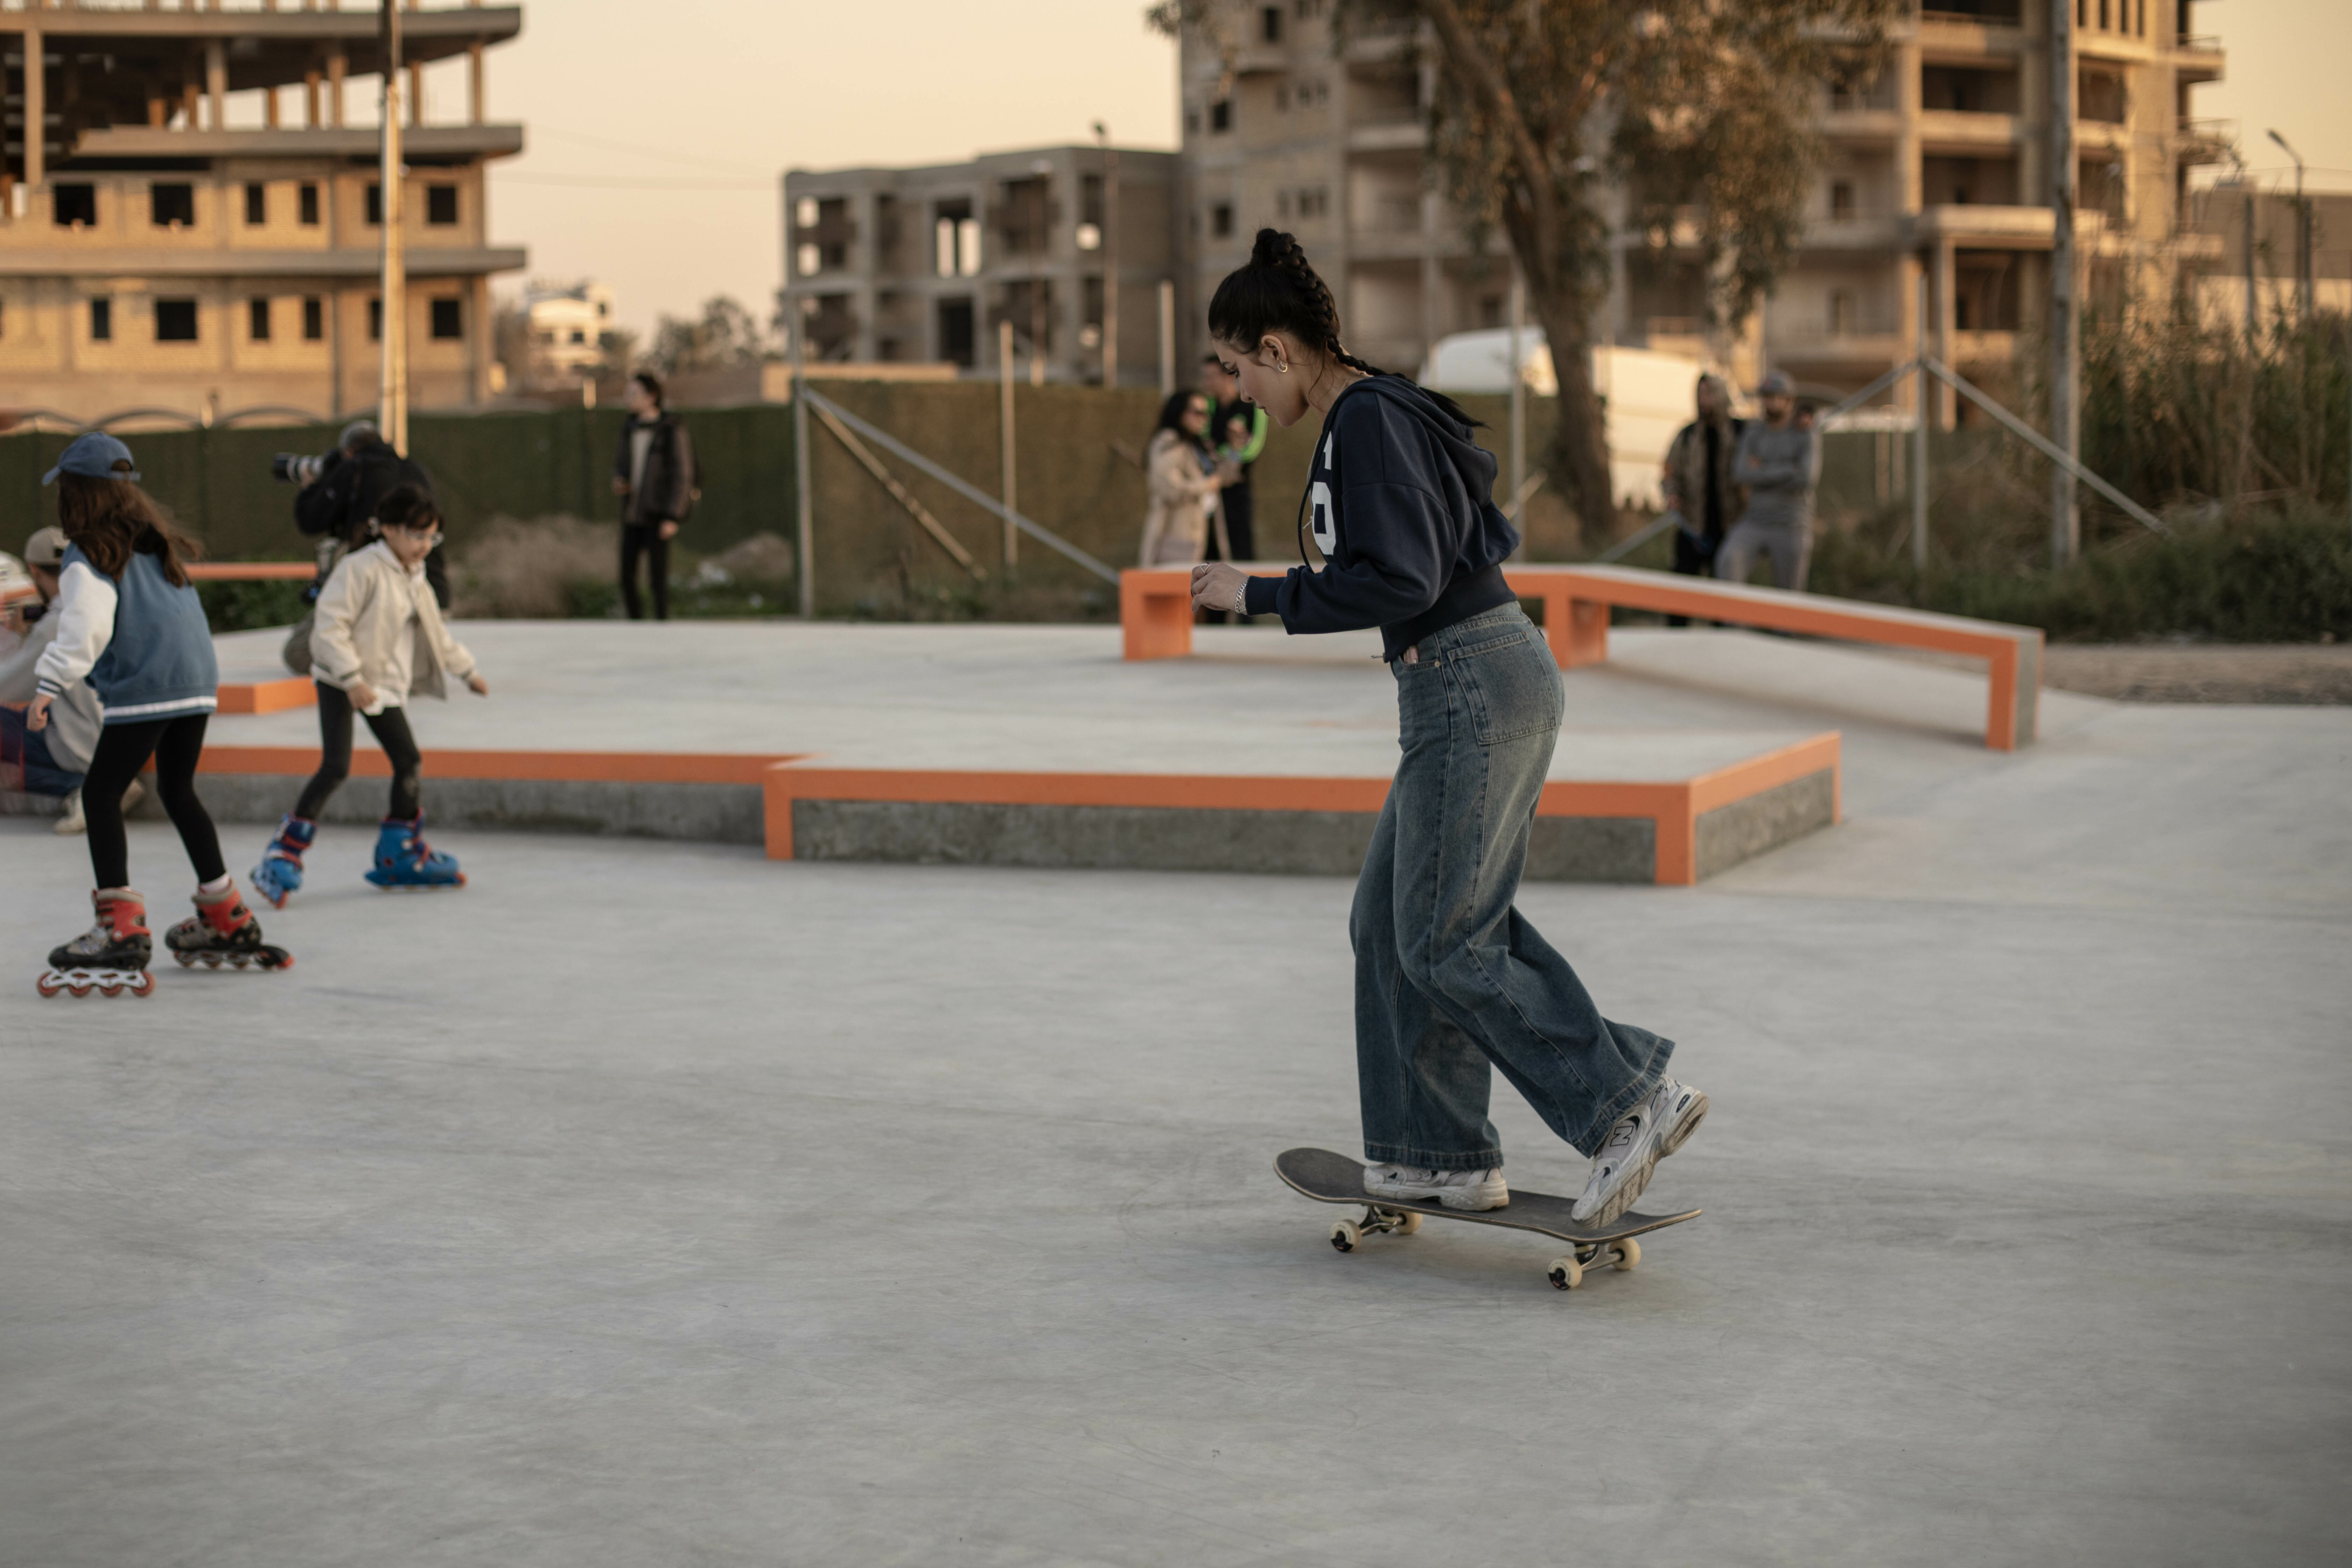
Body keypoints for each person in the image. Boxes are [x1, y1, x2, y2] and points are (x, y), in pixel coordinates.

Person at [1186, 231, 1706, 1224]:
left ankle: (1622, 1105)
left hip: (1471, 683)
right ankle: (1438, 1153)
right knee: (1391, 924)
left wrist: (1258, 592)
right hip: (1478, 679)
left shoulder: (1366, 420)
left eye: (1242, 367)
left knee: (1443, 941)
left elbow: (1406, 579)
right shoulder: (1379, 411)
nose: (1242, 391)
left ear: (1282, 349)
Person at [28, 432, 288, 988]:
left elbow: (86, 629)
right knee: (177, 790)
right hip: (196, 683)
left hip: (148, 688)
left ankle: (119, 929)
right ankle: (226, 915)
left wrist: (48, 686)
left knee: (99, 794)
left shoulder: (87, 554)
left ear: (76, 494)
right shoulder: (154, 543)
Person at [252, 483, 488, 905]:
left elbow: (438, 634)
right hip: (341, 679)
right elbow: (329, 628)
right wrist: (352, 678)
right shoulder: (360, 568)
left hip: (381, 686)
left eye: (432, 537)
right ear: (390, 530)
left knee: (408, 761)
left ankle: (398, 853)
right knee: (336, 767)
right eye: (417, 535)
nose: (424, 546)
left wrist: (467, 671)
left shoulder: (417, 578)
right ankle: (282, 855)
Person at [2, 526, 142, 834]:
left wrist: (23, 639)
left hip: (84, 742)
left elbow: (9, 687)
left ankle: (85, 789)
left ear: (36, 572)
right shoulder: (104, 604)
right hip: (127, 733)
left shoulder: (55, 623)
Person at [295, 419, 445, 609]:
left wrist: (310, 487)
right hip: (428, 587)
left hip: (372, 592)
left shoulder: (355, 468)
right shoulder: (416, 470)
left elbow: (311, 520)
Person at [1716, 369, 1821, 592]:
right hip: (1755, 520)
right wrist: (1787, 469)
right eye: (1765, 398)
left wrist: (1762, 470)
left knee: (1789, 594)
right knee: (1728, 561)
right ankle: (1736, 626)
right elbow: (1741, 473)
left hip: (1791, 523)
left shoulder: (1804, 435)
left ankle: (1786, 628)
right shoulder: (1754, 434)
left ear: (1789, 401)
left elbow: (1806, 478)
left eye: (1775, 398)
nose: (1769, 403)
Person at [1658, 373, 1746, 624]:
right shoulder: (1687, 437)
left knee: (1723, 595)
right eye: (1700, 394)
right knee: (1680, 590)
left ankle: (1721, 641)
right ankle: (1676, 637)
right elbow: (1669, 472)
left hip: (1729, 526)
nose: (1704, 400)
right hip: (1692, 525)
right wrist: (1671, 494)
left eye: (1709, 393)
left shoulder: (1740, 432)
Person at [611, 371, 697, 621]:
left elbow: (683, 474)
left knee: (657, 577)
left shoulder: (671, 430)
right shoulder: (628, 429)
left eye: (634, 393)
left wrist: (673, 516)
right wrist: (620, 480)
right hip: (632, 512)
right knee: (626, 574)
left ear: (652, 397)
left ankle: (661, 626)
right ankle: (635, 624)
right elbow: (622, 465)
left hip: (659, 513)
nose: (629, 398)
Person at [1138, 390, 1231, 568]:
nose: (1203, 419)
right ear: (1179, 412)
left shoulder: (1197, 445)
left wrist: (1235, 448)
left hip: (1202, 532)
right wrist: (1207, 485)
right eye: (1197, 412)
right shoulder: (1168, 442)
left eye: (1207, 414)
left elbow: (1224, 477)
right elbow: (1169, 488)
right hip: (1175, 535)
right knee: (1175, 590)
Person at [1200, 352, 1269, 562]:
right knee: (1210, 548)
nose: (1207, 383)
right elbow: (1204, 443)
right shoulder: (1207, 408)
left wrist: (1223, 453)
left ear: (1228, 376)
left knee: (1239, 546)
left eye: (1211, 377)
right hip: (1209, 489)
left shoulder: (1251, 406)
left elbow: (1253, 447)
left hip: (1237, 489)